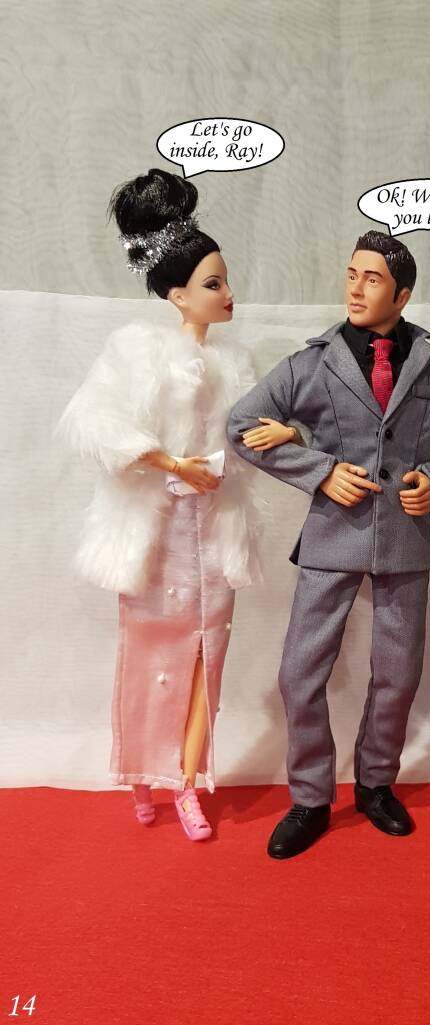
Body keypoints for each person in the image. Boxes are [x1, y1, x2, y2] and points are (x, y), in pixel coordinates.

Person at [227, 230, 430, 858]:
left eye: (372, 279)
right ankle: (310, 796)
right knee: (300, 672)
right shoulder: (311, 364)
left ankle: (376, 783)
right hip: (332, 534)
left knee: (398, 674)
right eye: (352, 273)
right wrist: (318, 469)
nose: (355, 288)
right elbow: (240, 426)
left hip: (405, 536)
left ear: (402, 295)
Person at [59, 168, 299, 840]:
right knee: (147, 657)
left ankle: (188, 784)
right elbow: (95, 423)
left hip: (214, 531)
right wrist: (168, 463)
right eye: (213, 284)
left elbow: (249, 436)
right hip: (158, 533)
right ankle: (143, 775)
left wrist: (278, 437)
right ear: (177, 294)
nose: (228, 295)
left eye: (225, 282)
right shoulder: (137, 349)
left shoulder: (235, 363)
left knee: (204, 660)